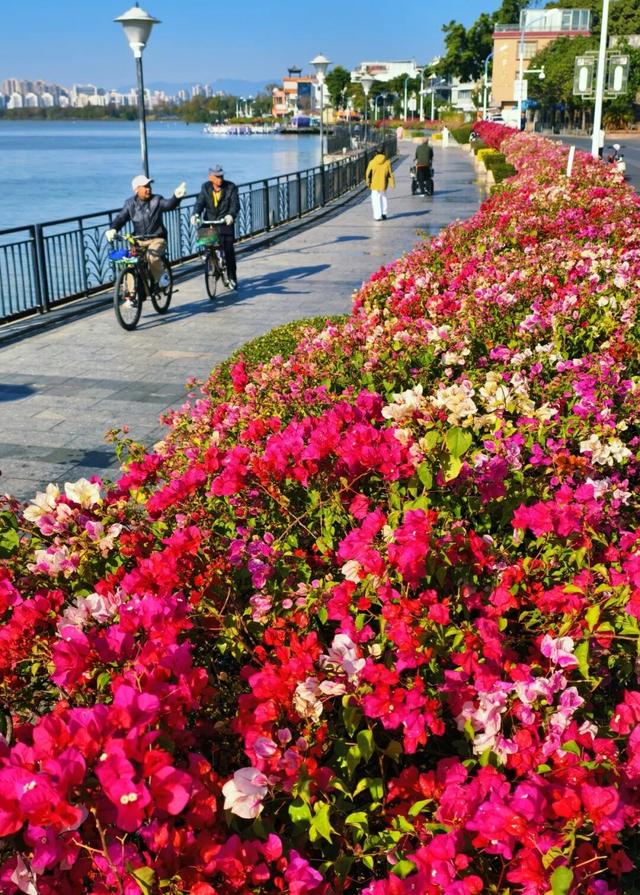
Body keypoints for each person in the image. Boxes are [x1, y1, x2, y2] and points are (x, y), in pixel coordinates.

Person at [106, 175, 186, 286]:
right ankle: (131, 296)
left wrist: (176, 197)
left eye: (149, 186)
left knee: (151, 257)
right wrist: (113, 229)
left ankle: (162, 278)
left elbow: (168, 205)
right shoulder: (130, 203)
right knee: (130, 263)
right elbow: (121, 218)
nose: (148, 188)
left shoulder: (157, 199)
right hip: (138, 241)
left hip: (157, 238)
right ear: (136, 189)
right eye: (145, 186)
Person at [191, 165, 240, 289]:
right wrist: (195, 214)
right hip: (210, 221)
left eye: (221, 176)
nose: (220, 179)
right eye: (217, 177)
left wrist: (231, 215)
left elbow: (235, 205)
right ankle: (211, 262)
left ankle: (232, 276)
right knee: (206, 243)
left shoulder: (231, 187)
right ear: (210, 177)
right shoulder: (205, 187)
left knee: (228, 250)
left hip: (225, 222)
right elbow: (200, 203)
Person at [365, 149, 395, 221]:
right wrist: (392, 184)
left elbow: (368, 174)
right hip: (383, 183)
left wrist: (368, 183)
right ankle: (384, 213)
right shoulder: (387, 162)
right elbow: (390, 174)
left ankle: (377, 216)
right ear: (383, 153)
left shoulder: (372, 162)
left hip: (374, 184)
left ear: (376, 153)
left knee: (375, 200)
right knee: (383, 197)